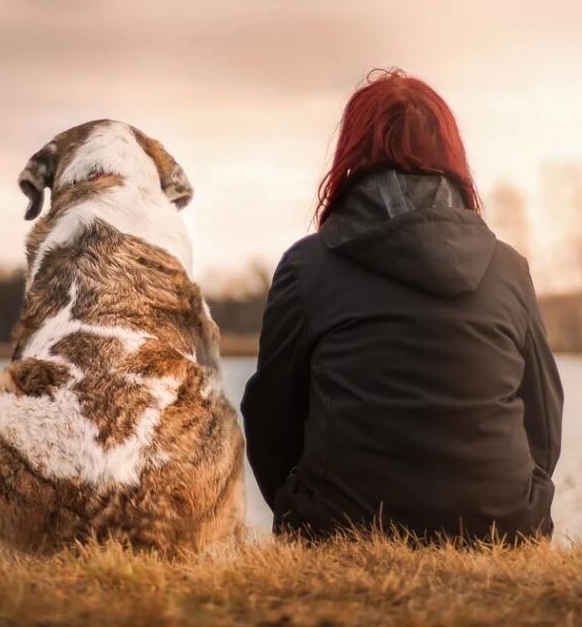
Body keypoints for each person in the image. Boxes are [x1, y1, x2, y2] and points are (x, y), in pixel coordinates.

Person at [241, 68, 563, 543]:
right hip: (503, 527)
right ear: (451, 154)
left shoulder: (307, 268)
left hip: (340, 527)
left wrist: (299, 507)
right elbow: (544, 418)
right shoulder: (509, 268)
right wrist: (517, 501)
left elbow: (270, 420)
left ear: (351, 153)